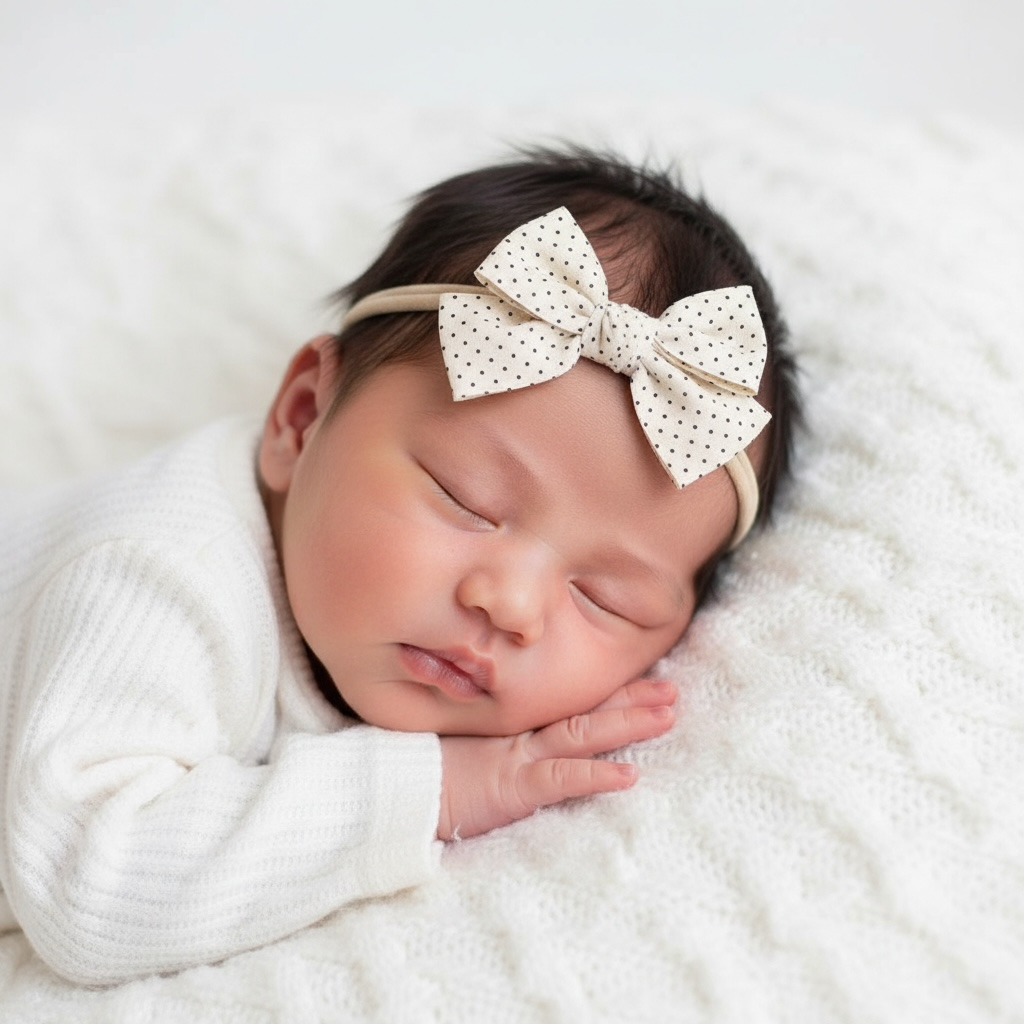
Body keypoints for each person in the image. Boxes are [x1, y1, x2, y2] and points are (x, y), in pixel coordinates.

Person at [0, 146, 799, 985]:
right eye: (465, 499)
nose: (512, 605)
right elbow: (90, 888)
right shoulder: (158, 572)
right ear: (303, 417)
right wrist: (435, 790)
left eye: (605, 599)